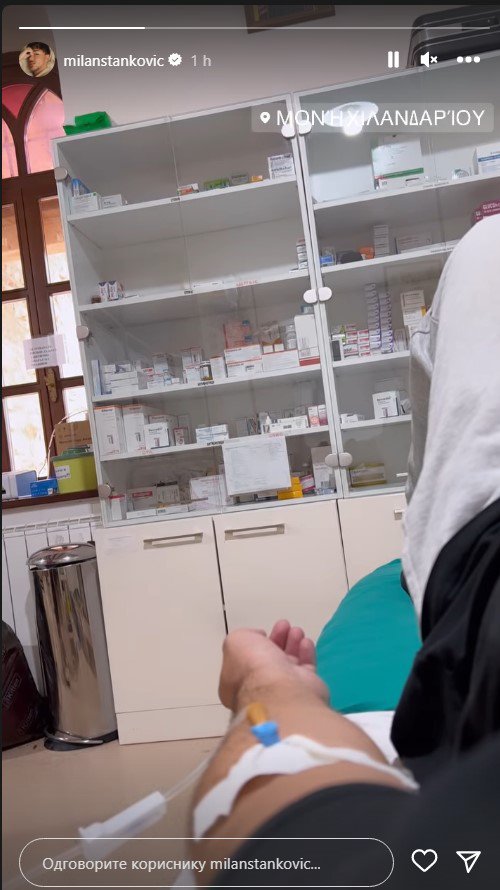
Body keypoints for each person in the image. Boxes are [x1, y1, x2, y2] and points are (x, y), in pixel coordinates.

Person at [186, 215, 500, 888]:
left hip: (476, 541)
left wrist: (266, 687)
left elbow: (294, 838)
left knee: (488, 249)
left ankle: (415, 523)